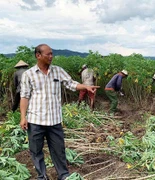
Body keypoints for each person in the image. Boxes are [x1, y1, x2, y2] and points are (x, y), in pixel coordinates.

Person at [20, 44, 99, 180]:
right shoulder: (28, 74)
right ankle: (42, 176)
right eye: (48, 54)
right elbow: (25, 96)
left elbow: (71, 83)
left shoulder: (58, 71)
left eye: (52, 54)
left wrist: (86, 86)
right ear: (38, 56)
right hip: (35, 120)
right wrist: (23, 117)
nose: (51, 56)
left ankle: (63, 175)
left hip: (54, 120)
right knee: (36, 151)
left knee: (59, 150)